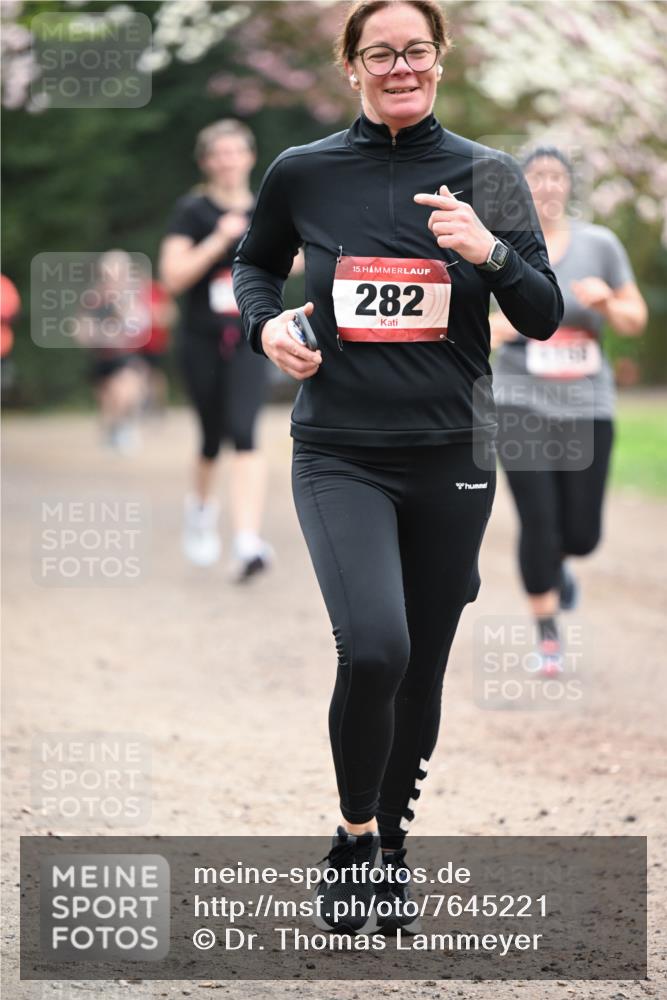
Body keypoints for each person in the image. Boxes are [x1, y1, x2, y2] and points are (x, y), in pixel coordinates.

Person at [233, 0, 563, 934]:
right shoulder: (303, 172)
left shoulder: (487, 175)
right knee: (375, 646)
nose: (399, 66)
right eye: (379, 53)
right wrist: (266, 328)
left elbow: (541, 313)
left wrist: (489, 250)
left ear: (439, 61)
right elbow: (255, 265)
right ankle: (351, 837)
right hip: (339, 451)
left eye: (415, 50)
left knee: (420, 671)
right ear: (352, 68)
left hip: (452, 453)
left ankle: (390, 848)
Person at [490, 147, 647, 675]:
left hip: (585, 400)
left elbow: (633, 321)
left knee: (580, 534)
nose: (547, 187)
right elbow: (471, 325)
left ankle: (562, 567)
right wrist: (511, 324)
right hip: (518, 398)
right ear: (520, 187)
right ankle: (547, 638)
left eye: (557, 178)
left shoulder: (599, 244)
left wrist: (604, 303)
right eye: (537, 178)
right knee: (538, 520)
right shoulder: (497, 243)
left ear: (568, 187)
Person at [159, 120, 274, 578]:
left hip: (250, 336)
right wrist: (218, 240)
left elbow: (294, 258)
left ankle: (248, 542)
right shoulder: (192, 211)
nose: (228, 161)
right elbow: (172, 277)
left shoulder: (266, 208)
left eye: (235, 152)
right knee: (210, 437)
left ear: (249, 157)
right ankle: (201, 511)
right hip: (201, 340)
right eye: (218, 154)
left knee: (245, 432)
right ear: (206, 162)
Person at [78, 250, 151, 454]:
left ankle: (126, 429)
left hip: (126, 354)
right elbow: (82, 326)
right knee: (109, 400)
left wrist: (122, 306)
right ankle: (112, 430)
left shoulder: (133, 295)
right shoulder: (94, 296)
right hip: (102, 355)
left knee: (127, 392)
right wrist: (93, 334)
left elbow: (140, 322)